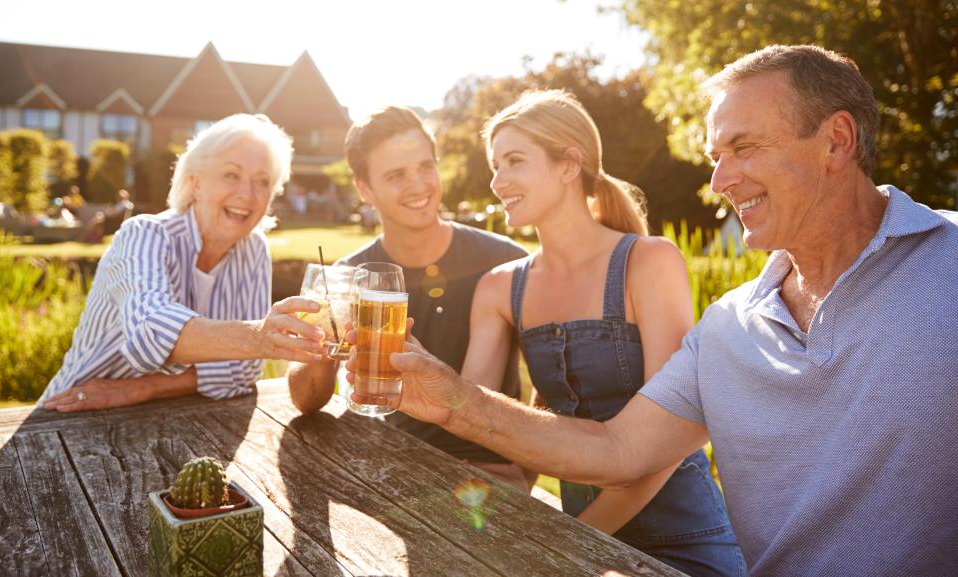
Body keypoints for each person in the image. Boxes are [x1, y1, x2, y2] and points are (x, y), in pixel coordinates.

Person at [347, 45, 958, 577]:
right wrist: (454, 400)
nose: (719, 180)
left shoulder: (947, 262)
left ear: (837, 140)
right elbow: (617, 451)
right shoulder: (729, 327)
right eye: (715, 155)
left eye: (742, 148)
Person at [458, 89, 742, 575]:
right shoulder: (499, 289)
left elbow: (670, 440)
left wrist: (574, 541)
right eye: (495, 165)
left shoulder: (648, 262)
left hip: (683, 541)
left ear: (569, 165)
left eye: (514, 161)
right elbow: (477, 419)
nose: (497, 181)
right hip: (581, 541)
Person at [287, 106, 529, 488]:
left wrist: (525, 468)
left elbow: (556, 386)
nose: (419, 185)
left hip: (487, 474)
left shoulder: (508, 260)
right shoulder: (349, 275)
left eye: (425, 167)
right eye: (396, 175)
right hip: (392, 463)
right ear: (364, 189)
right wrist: (322, 343)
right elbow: (305, 399)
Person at [41, 113, 326, 412]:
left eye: (262, 181)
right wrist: (260, 338)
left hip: (175, 417)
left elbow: (243, 371)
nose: (246, 194)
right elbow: (150, 334)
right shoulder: (144, 234)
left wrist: (142, 388)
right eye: (231, 174)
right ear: (196, 183)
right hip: (72, 412)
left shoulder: (253, 248)